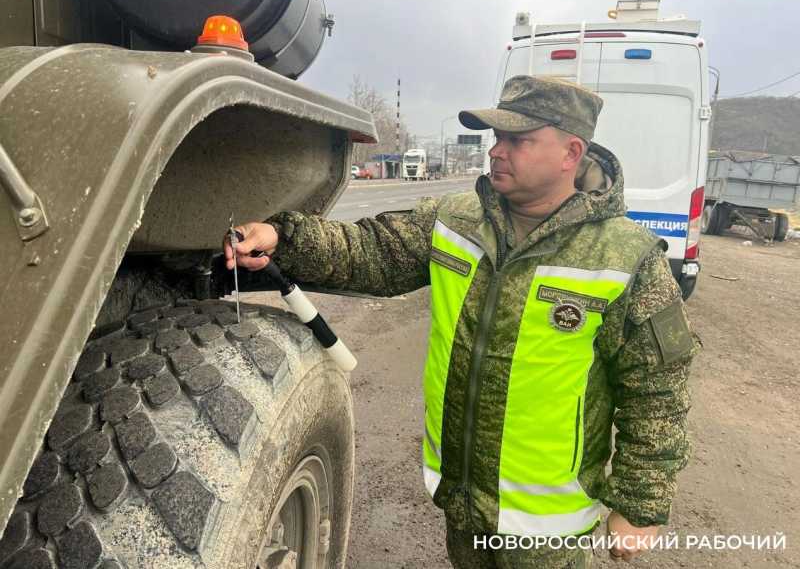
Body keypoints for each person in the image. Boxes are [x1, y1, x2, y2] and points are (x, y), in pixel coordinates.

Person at [224, 75, 698, 568]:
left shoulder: (626, 257)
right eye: (497, 138)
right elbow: (372, 251)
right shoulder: (457, 220)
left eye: (519, 140)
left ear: (570, 152)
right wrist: (284, 238)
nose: (498, 151)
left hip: (548, 533)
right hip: (464, 504)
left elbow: (656, 391)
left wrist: (641, 506)